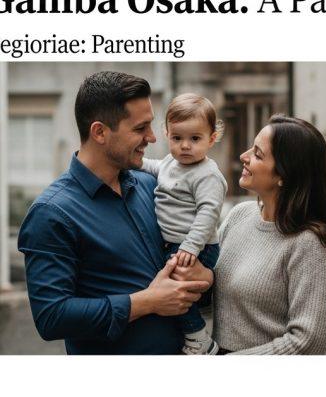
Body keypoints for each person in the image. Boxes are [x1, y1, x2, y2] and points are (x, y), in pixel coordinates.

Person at [17, 71, 211, 355]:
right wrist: (147, 301)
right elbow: (51, 316)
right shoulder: (52, 213)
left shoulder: (152, 184)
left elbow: (187, 271)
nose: (152, 137)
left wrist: (205, 276)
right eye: (140, 128)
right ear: (100, 132)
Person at [177, 115, 326, 354]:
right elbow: (219, 297)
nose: (243, 156)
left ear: (283, 175)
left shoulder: (309, 245)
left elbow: (307, 342)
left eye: (257, 154)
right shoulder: (239, 216)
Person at [140, 93, 228, 355]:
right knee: (181, 293)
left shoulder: (207, 175)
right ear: (167, 134)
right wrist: (131, 162)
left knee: (177, 292)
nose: (185, 146)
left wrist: (191, 246)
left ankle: (199, 338)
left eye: (195, 139)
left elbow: (208, 213)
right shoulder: (171, 162)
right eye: (177, 138)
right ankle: (194, 329)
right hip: (176, 244)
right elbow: (154, 167)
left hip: (196, 246)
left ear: (211, 139)